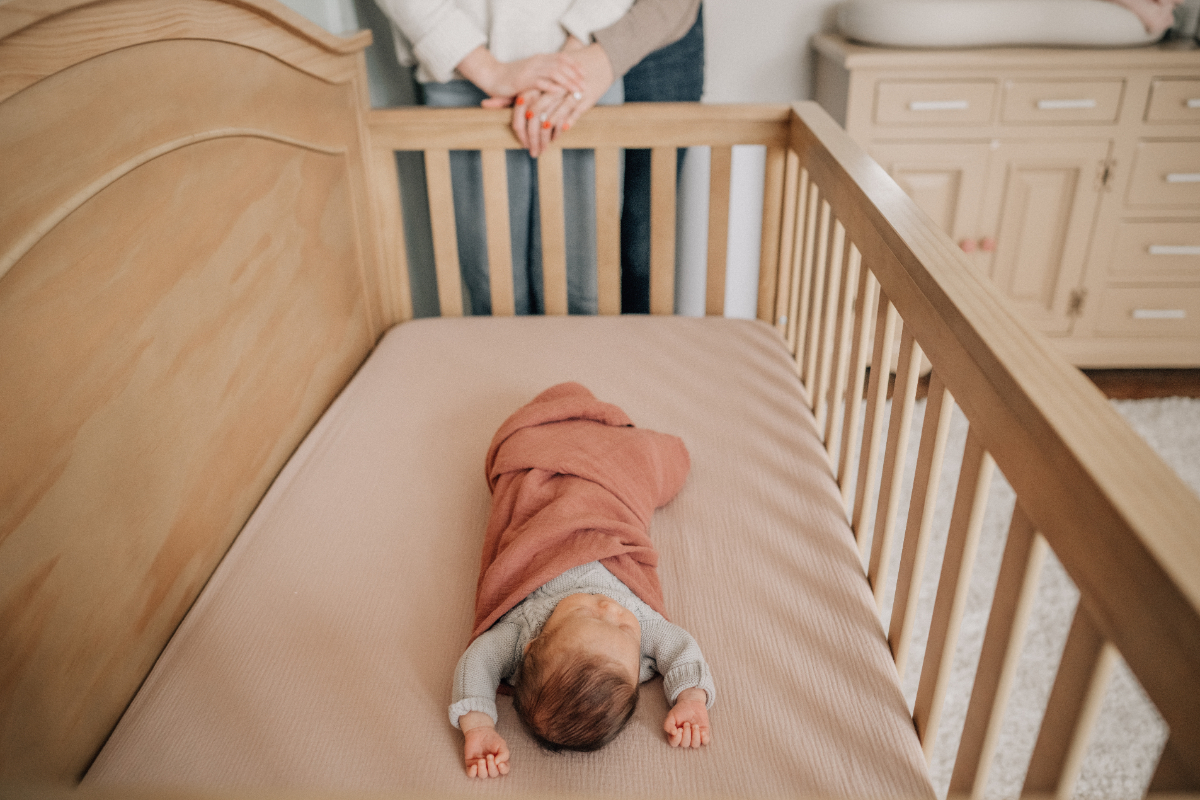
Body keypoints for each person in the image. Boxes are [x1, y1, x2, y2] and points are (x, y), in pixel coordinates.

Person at [450, 383, 715, 778]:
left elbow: (477, 663)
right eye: (623, 627)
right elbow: (679, 646)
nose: (612, 609)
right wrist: (691, 698)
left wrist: (478, 725)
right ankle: (605, 443)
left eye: (591, 616)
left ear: (535, 644)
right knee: (652, 462)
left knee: (527, 473)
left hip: (546, 517)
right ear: (638, 668)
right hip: (610, 511)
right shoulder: (642, 633)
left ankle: (565, 437)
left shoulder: (518, 634)